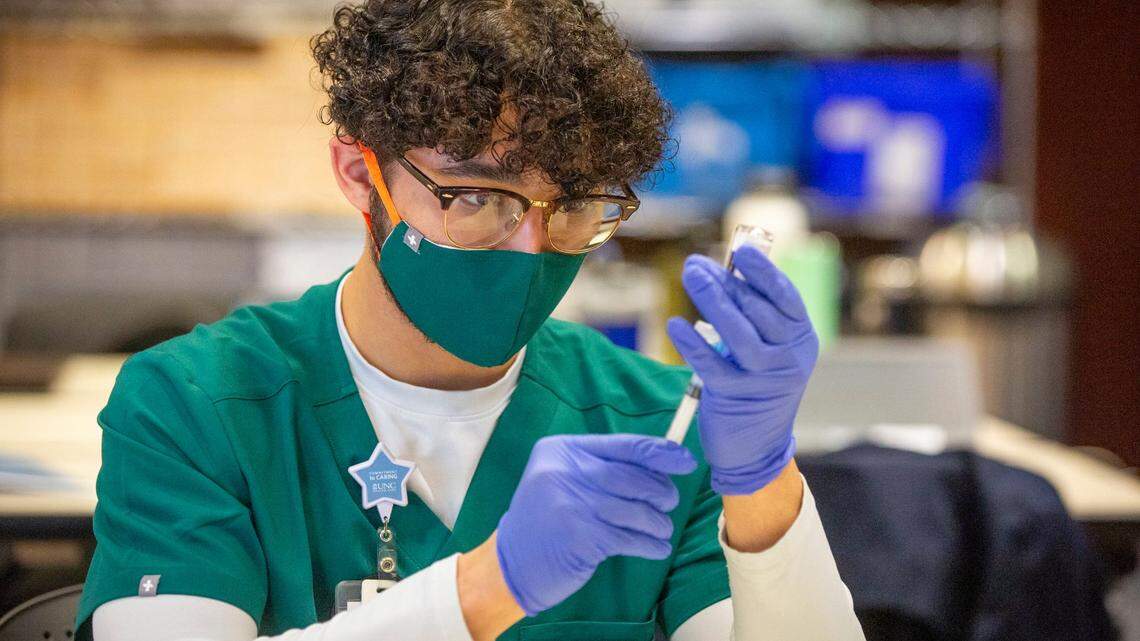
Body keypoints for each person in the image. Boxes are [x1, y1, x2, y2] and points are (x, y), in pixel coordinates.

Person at [75, 1, 865, 639]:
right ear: (360, 171)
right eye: (476, 197)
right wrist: (493, 584)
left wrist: (764, 487)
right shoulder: (194, 407)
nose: (528, 248)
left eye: (572, 209)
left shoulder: (659, 428)